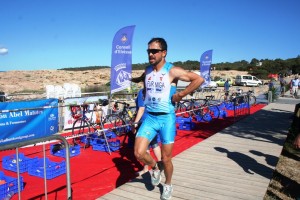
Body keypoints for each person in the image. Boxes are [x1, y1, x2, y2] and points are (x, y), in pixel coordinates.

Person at [134, 37, 204, 200]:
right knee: (138, 153)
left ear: (163, 53)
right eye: (148, 51)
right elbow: (141, 79)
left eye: (154, 51)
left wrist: (181, 94)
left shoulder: (172, 70)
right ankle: (154, 168)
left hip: (166, 119)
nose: (150, 54)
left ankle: (168, 184)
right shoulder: (148, 70)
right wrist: (128, 79)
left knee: (166, 158)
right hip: (150, 117)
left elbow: (198, 79)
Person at [131, 74, 162, 176]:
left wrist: (135, 123)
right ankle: (161, 164)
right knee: (155, 144)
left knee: (145, 148)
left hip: (144, 122)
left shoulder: (142, 92)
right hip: (154, 121)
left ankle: (146, 168)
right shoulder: (155, 91)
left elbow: (141, 109)